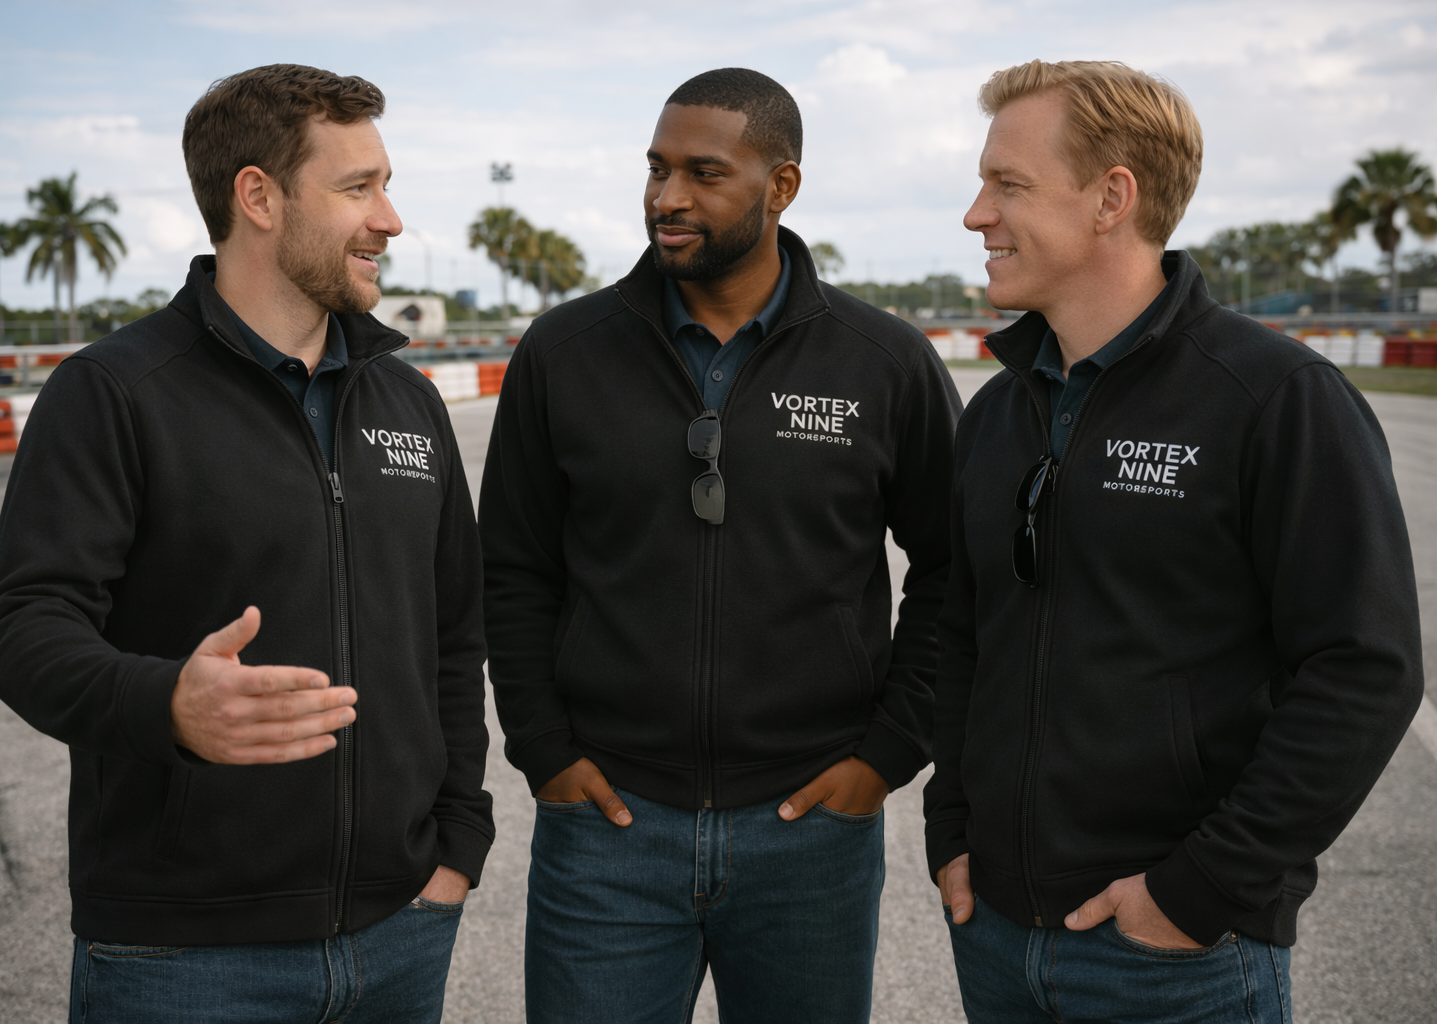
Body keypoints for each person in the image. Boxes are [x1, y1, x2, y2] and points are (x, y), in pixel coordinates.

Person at [0, 64, 493, 1023]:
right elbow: (22, 627)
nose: (390, 218)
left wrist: (458, 844)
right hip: (182, 955)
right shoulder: (115, 392)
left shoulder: (408, 401)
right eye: (357, 188)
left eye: (386, 184)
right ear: (257, 196)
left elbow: (454, 637)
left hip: (403, 932)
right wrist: (164, 702)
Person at [924, 59, 1424, 1023]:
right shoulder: (998, 414)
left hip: (1173, 960)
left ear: (1113, 197)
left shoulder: (1275, 399)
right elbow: (961, 632)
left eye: (1009, 184)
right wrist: (954, 829)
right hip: (994, 934)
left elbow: (1365, 667)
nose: (976, 213)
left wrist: (1196, 894)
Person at [480, 67, 961, 1023]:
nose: (667, 198)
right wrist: (544, 751)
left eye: (703, 173)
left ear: (780, 188)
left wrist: (888, 754)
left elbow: (956, 572)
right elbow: (512, 571)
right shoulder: (562, 353)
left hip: (813, 832)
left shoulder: (883, 361)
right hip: (608, 829)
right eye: (656, 170)